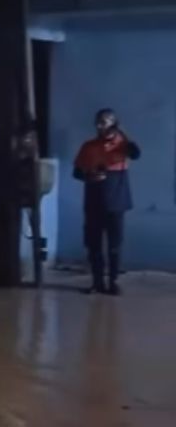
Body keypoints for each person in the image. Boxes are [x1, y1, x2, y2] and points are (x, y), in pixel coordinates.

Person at [74, 108, 141, 295]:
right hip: (93, 202)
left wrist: (122, 133)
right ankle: (97, 282)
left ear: (113, 123)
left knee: (114, 246)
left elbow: (136, 153)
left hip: (116, 203)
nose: (99, 126)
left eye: (103, 122)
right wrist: (90, 175)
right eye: (97, 122)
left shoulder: (122, 145)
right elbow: (77, 172)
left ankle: (113, 282)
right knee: (93, 245)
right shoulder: (88, 146)